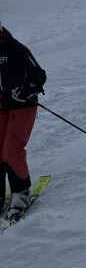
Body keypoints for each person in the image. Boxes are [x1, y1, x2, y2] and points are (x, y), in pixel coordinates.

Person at [0, 19, 47, 221]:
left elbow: (39, 76)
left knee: (11, 151)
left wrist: (26, 90)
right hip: (2, 105)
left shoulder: (16, 49)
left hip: (23, 105)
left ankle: (21, 193)